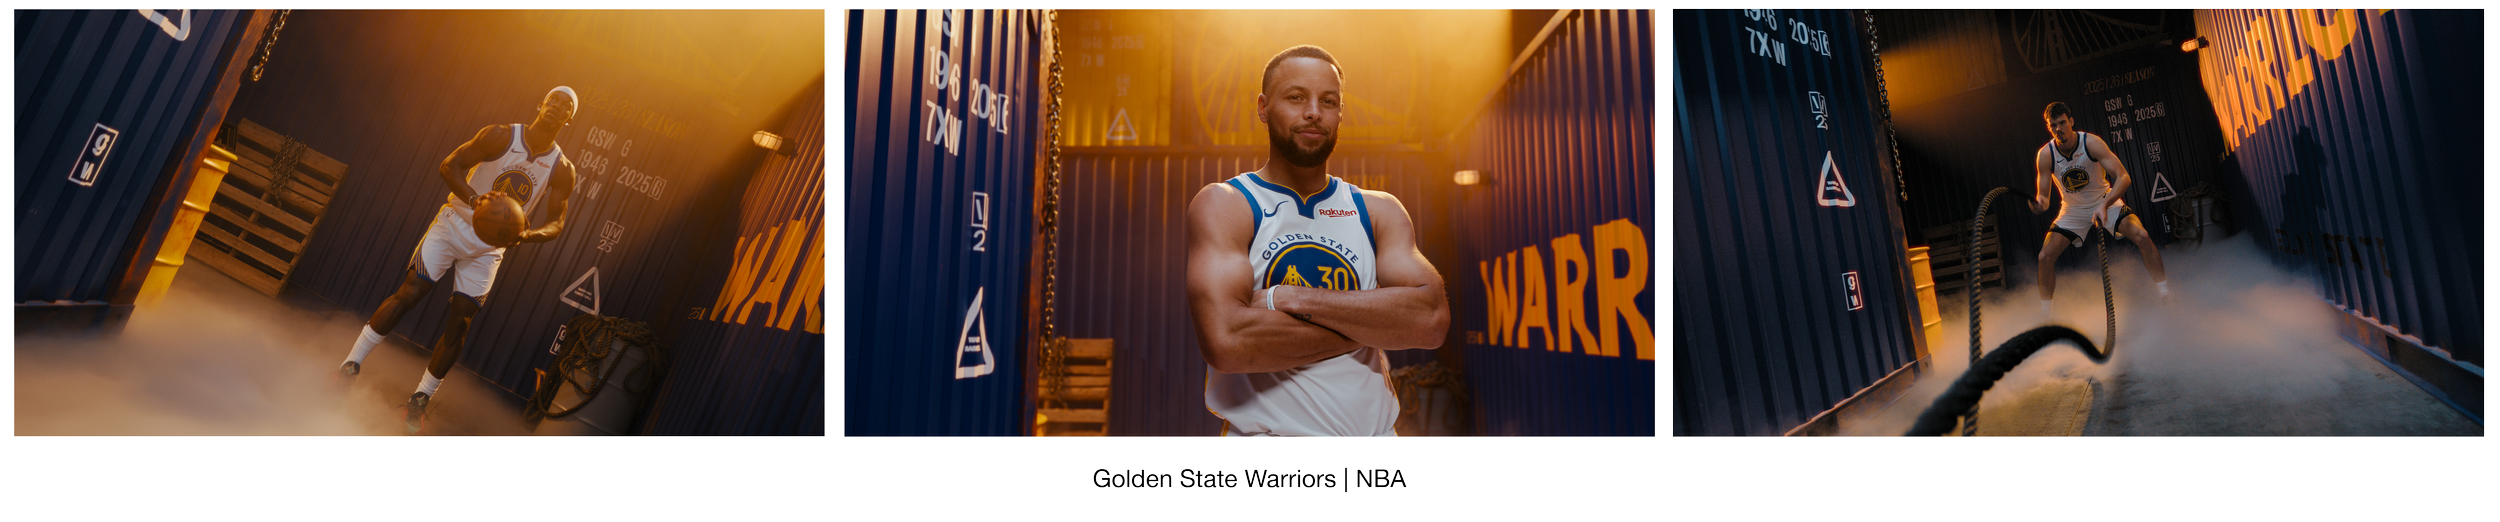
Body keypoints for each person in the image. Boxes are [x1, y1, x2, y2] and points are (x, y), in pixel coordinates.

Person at [1183, 45, 1450, 437]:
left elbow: (1430, 320)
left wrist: (1289, 299)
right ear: (1263, 107)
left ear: (1340, 113)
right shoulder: (1228, 205)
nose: (1313, 112)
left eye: (1328, 101)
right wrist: (1373, 325)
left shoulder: (1377, 210)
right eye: (1296, 97)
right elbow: (1227, 342)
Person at [336, 86, 579, 433]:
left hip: (489, 248)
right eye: (552, 99)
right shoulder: (500, 135)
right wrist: (476, 199)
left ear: (569, 119)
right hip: (454, 224)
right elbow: (450, 165)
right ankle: (350, 365)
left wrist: (526, 234)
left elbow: (557, 223)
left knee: (460, 322)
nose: (557, 106)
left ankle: (419, 400)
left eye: (565, 105)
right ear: (540, 104)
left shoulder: (562, 169)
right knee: (410, 293)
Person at [2030, 101, 2169, 315]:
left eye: (2062, 122)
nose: (2059, 128)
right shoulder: (2046, 154)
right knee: (2044, 257)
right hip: (2073, 209)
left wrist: (2104, 205)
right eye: (2053, 125)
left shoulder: (2090, 143)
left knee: (2141, 235)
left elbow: (2123, 177)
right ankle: (2045, 315)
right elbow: (2045, 197)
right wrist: (2040, 204)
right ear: (2049, 127)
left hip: (2104, 200)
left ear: (2071, 122)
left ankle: (2166, 294)